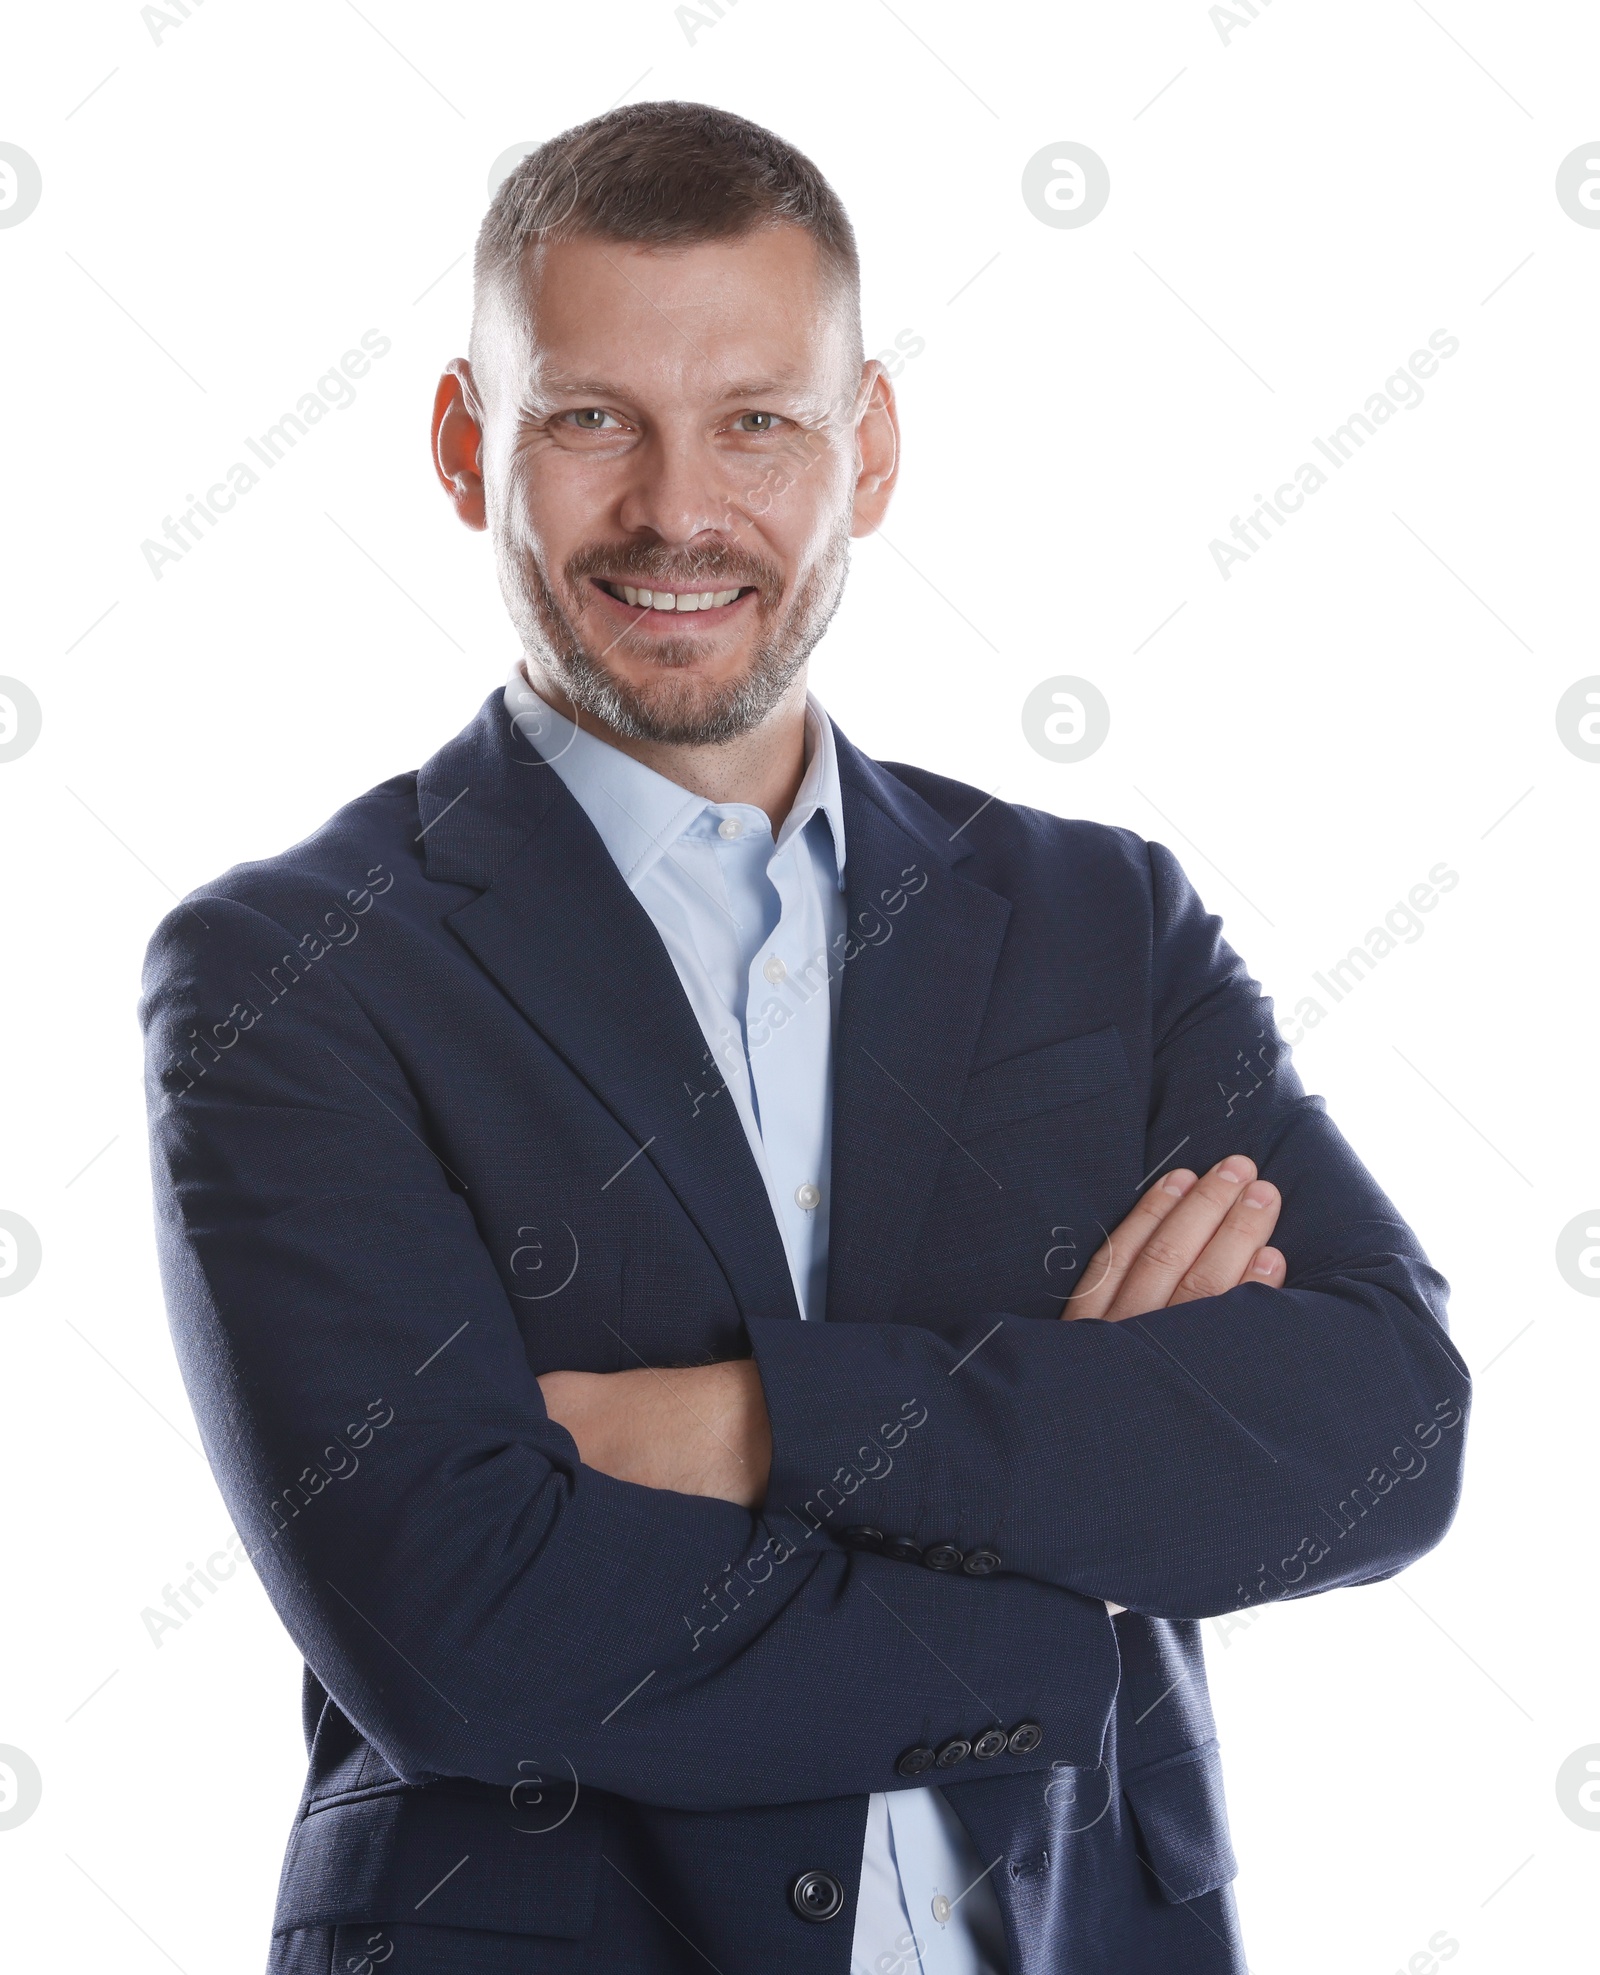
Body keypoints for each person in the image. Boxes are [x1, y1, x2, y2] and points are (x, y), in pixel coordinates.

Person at [139, 100, 1470, 1975]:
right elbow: (456, 1626)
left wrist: (771, 1423)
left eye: (759, 420)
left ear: (871, 446)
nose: (681, 508)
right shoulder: (294, 967)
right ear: (464, 450)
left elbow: (1383, 1432)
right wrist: (1067, 1567)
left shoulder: (1103, 919)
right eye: (593, 418)